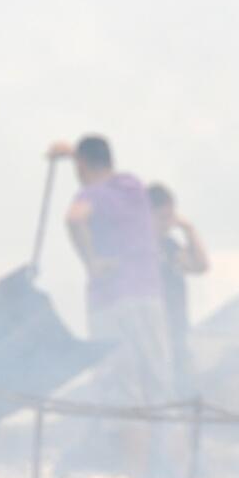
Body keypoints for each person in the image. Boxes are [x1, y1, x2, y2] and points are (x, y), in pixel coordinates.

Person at [49, 136, 173, 405]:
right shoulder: (132, 187)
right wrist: (73, 153)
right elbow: (92, 162)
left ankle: (128, 446)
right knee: (159, 389)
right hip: (148, 297)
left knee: (122, 398)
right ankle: (167, 445)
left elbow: (75, 218)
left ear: (82, 165)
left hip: (112, 303)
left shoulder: (92, 193)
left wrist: (92, 261)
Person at [146, 183, 209, 397]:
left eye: (171, 217)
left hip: (177, 330)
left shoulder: (170, 246)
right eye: (163, 218)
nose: (168, 224)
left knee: (185, 390)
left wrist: (189, 229)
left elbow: (200, 266)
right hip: (153, 335)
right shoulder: (139, 248)